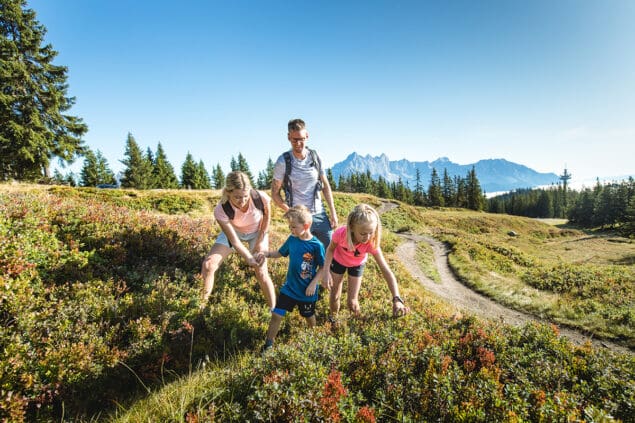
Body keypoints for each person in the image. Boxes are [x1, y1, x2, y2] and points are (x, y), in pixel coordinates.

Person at [200, 171, 275, 309]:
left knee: (261, 271)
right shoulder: (221, 209)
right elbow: (234, 241)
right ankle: (200, 307)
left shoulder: (261, 197)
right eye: (237, 197)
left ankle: (274, 311)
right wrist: (248, 257)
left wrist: (259, 241)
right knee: (208, 265)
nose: (242, 201)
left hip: (258, 232)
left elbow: (267, 218)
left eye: (245, 196)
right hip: (235, 233)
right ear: (228, 193)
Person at [256, 205, 326, 351]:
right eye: (289, 226)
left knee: (308, 316)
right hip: (289, 288)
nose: (291, 230)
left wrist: (313, 284)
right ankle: (268, 345)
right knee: (277, 315)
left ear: (306, 226)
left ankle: (316, 340)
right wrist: (267, 254)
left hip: (307, 291)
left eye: (293, 227)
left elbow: (323, 267)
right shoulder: (292, 239)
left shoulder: (316, 246)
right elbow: (280, 253)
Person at [324, 203, 409, 320]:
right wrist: (325, 272)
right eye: (363, 233)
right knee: (334, 296)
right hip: (338, 261)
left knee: (352, 302)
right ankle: (333, 319)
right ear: (352, 227)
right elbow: (330, 249)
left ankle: (357, 322)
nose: (367, 237)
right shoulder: (340, 234)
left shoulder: (371, 243)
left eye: (371, 232)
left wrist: (397, 298)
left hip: (357, 265)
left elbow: (386, 270)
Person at [271, 118, 338, 248]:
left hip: (319, 214)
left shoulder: (315, 156)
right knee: (305, 259)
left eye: (301, 139)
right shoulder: (283, 161)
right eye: (294, 139)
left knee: (330, 253)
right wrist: (290, 211)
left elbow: (325, 186)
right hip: (299, 219)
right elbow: (275, 193)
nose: (298, 143)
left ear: (307, 136)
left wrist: (333, 213)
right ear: (288, 137)